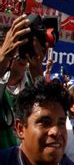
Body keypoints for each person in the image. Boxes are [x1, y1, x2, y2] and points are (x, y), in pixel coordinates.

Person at [0, 14, 45, 149]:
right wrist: (4, 56)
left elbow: (48, 112)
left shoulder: (33, 84)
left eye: (25, 46)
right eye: (16, 46)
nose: (20, 54)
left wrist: (38, 71)